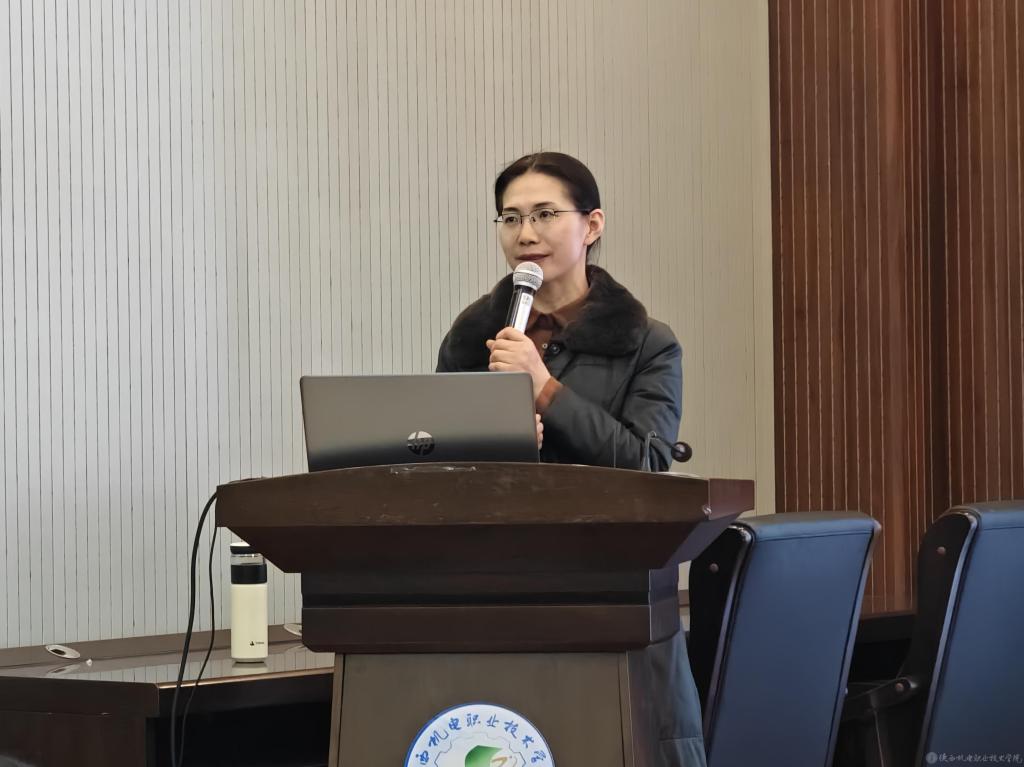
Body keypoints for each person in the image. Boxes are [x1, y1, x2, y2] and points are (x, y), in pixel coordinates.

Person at [436, 152, 706, 767]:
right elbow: (441, 468)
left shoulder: (646, 342)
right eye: (510, 218)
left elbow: (646, 466)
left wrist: (545, 389)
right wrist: (498, 447)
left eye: (544, 214)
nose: (525, 233)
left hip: (611, 597)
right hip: (495, 594)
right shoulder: (473, 338)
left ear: (592, 225)